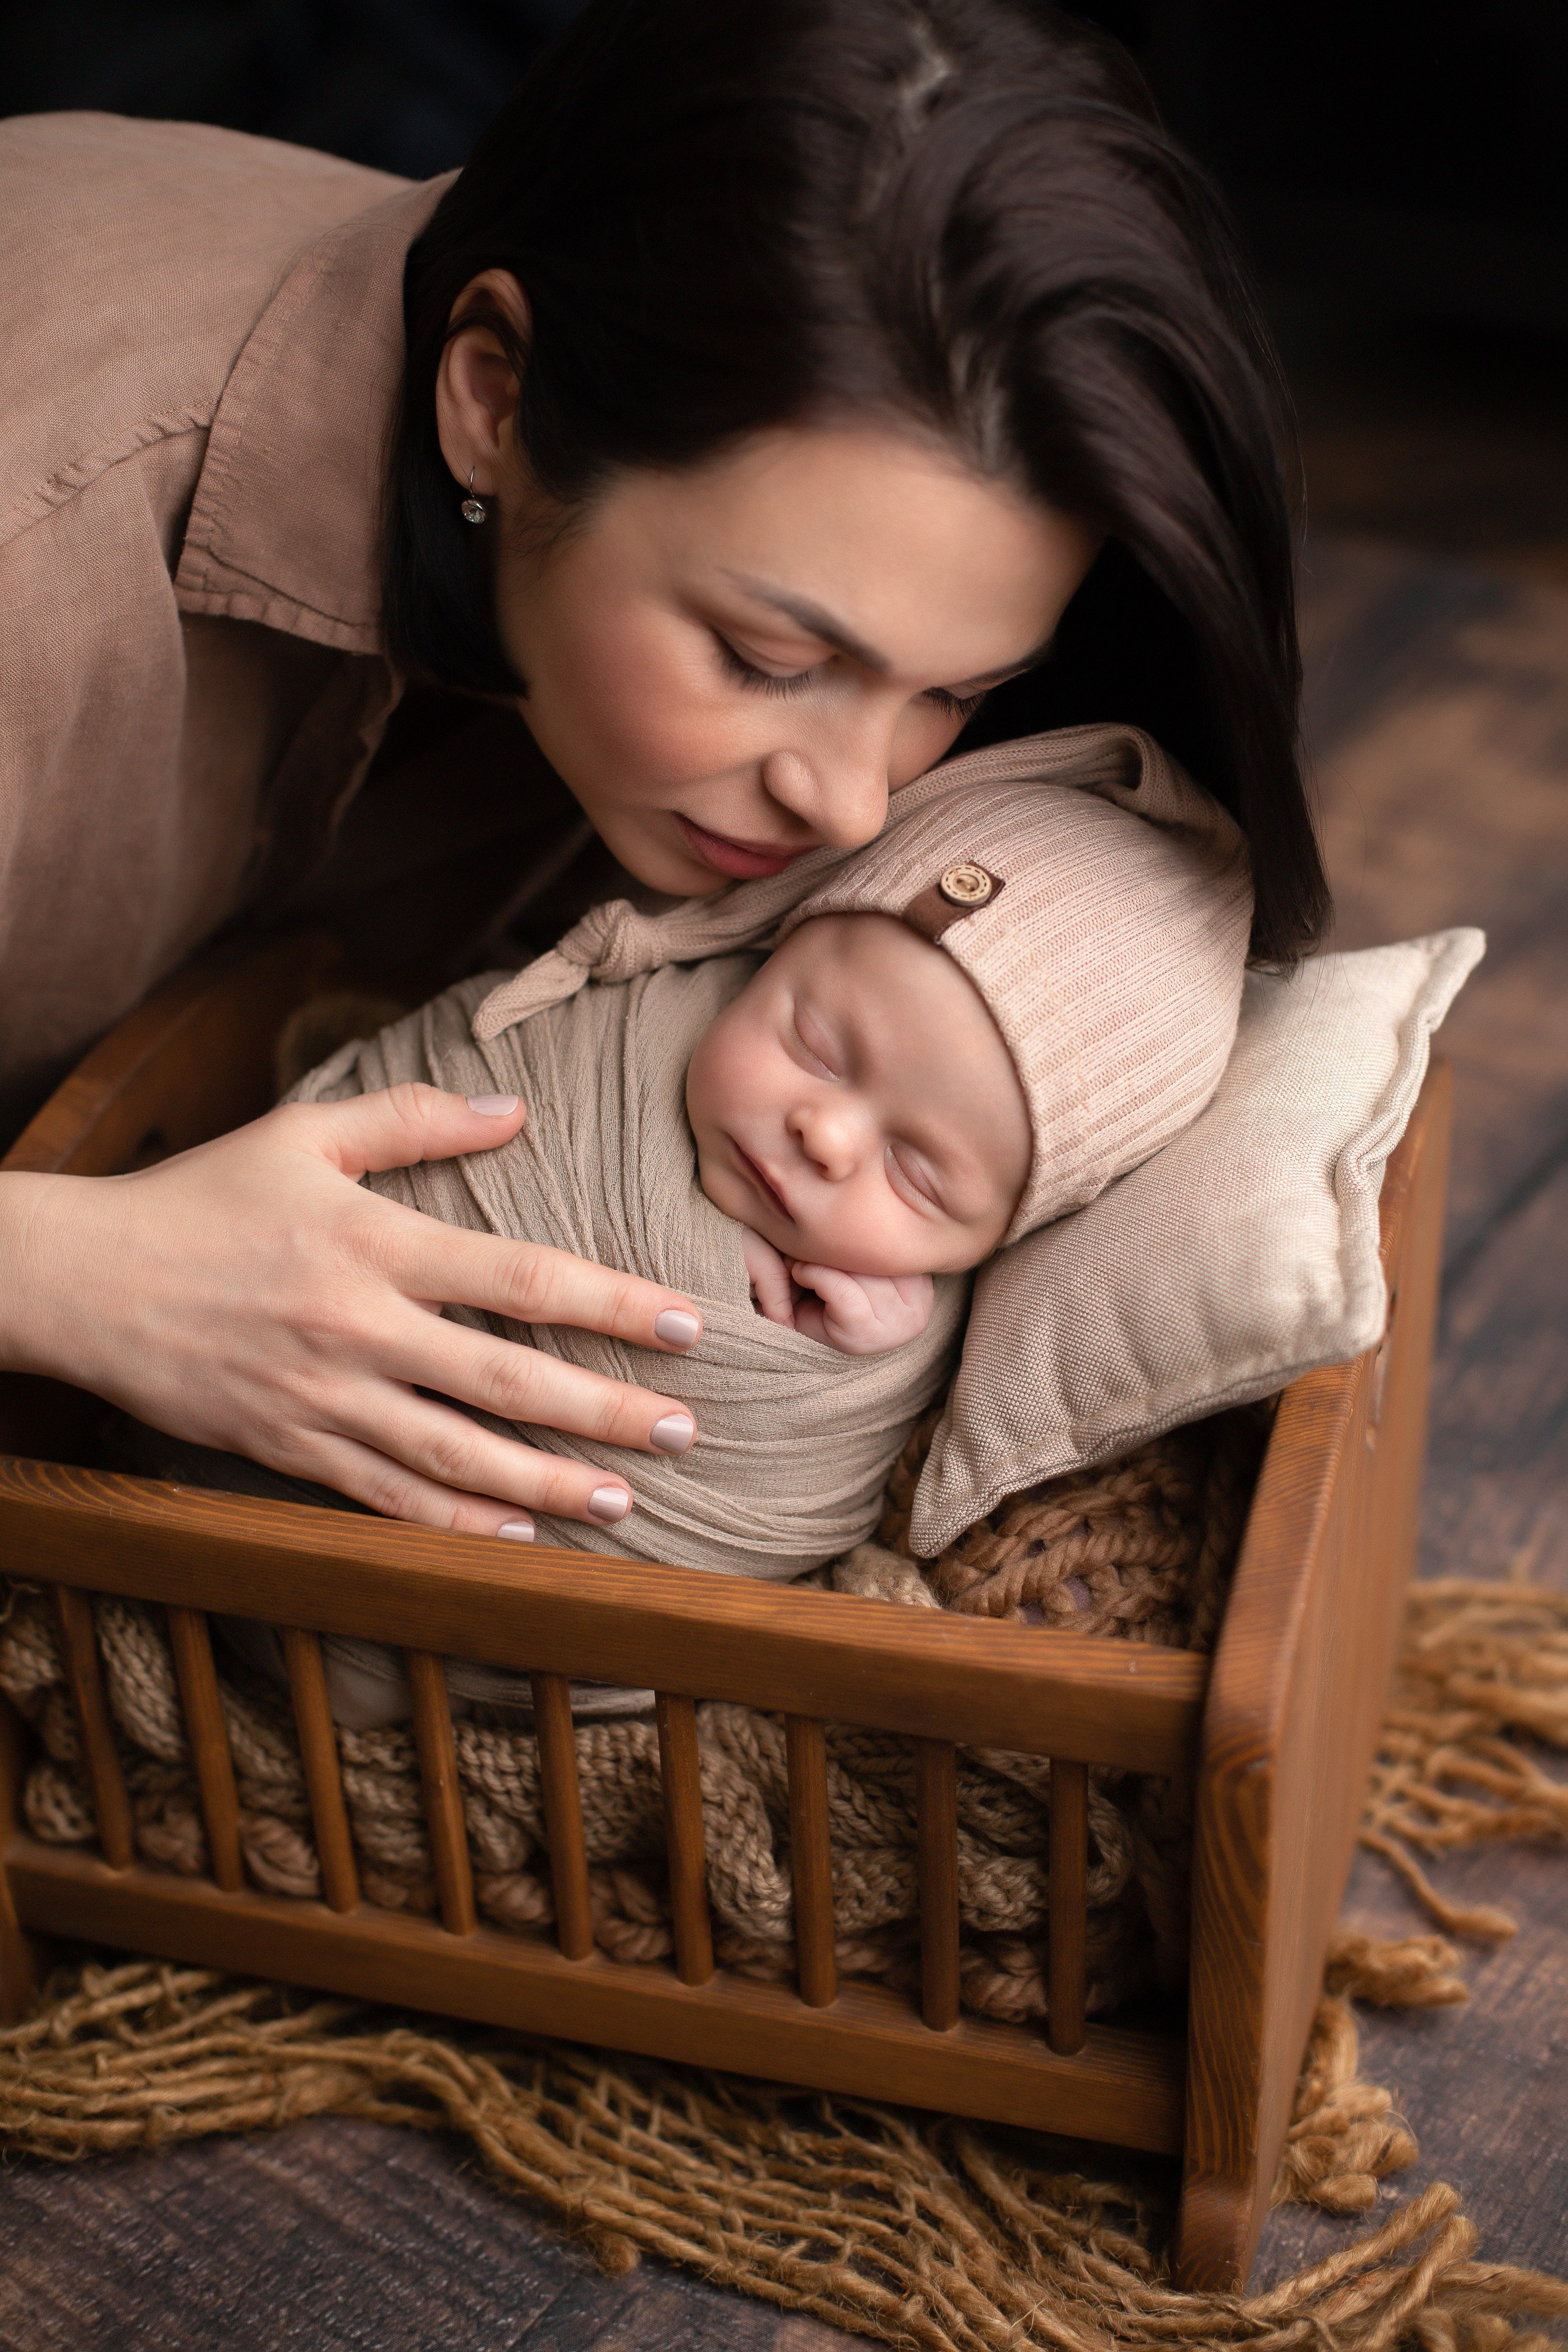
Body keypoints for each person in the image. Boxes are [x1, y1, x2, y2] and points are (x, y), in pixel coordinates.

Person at [0, 0, 1326, 1545]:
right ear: (491, 400)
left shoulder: (686, 675)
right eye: (768, 660)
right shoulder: (45, 554)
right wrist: (72, 1269)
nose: (847, 803)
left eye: (952, 691)